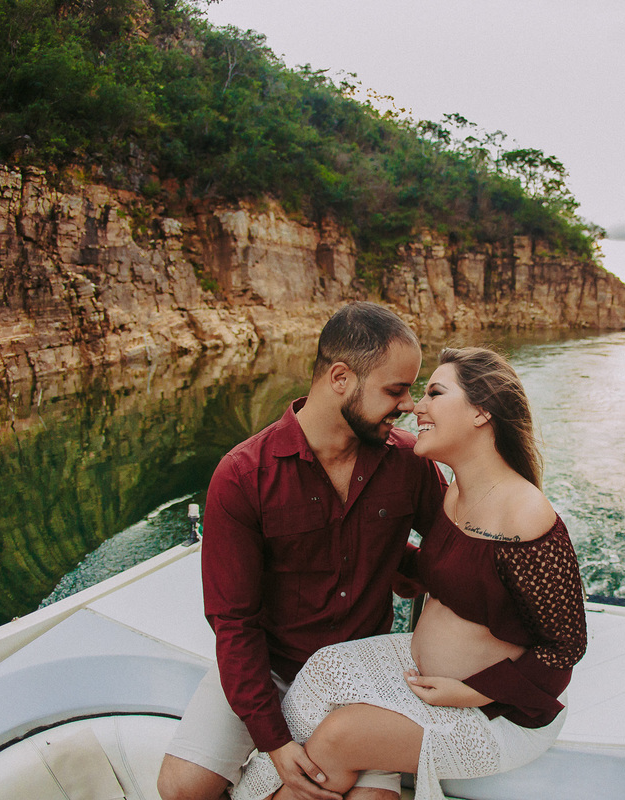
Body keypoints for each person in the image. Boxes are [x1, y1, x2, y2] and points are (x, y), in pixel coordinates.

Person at [234, 347, 588, 800]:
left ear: (481, 412)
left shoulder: (524, 513)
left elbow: (566, 646)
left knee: (341, 735)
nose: (416, 406)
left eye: (435, 393)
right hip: (419, 670)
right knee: (322, 670)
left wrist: (475, 692)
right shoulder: (455, 492)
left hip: (498, 713)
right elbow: (456, 570)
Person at [158, 302, 447, 800]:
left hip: (361, 673)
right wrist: (273, 740)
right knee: (181, 788)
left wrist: (405, 564)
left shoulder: (408, 462)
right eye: (395, 390)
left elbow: (453, 553)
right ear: (340, 378)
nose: (407, 405)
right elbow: (234, 622)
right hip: (270, 663)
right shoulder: (242, 476)